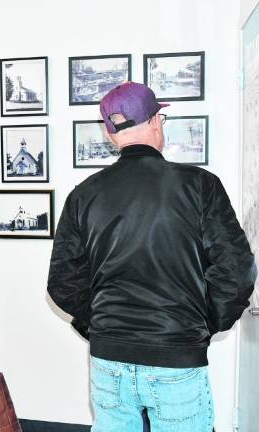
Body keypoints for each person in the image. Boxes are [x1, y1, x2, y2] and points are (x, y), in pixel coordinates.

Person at [47, 82, 256, 432]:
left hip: (108, 358)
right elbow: (236, 272)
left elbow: (63, 284)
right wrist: (203, 325)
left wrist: (100, 325)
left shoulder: (83, 195)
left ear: (111, 133)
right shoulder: (199, 185)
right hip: (176, 355)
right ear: (157, 120)